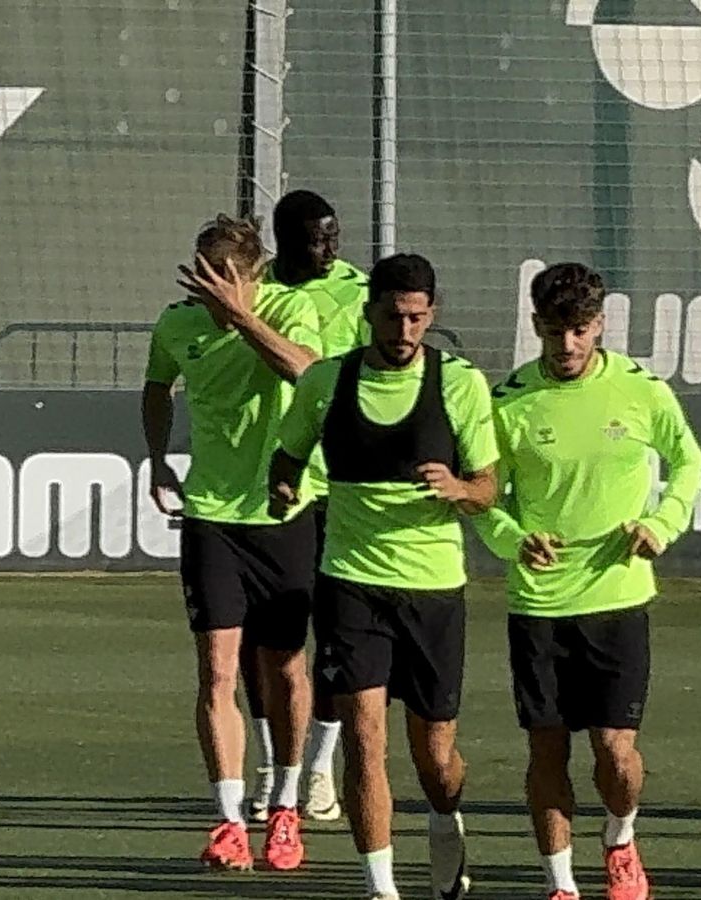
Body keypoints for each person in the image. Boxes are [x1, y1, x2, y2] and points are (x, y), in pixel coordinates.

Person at [268, 252, 498, 900]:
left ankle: (446, 816)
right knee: (365, 737)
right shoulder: (326, 383)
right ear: (370, 312)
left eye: (417, 317)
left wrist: (457, 487)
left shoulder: (459, 385)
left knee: (436, 761)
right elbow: (285, 459)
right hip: (350, 583)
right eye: (394, 316)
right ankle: (381, 889)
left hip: (434, 590)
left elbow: (488, 488)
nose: (405, 330)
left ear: (432, 315)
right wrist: (283, 488)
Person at [475, 263, 701, 900]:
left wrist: (663, 521)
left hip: (618, 600)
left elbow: (688, 460)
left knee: (616, 757)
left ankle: (620, 835)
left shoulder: (641, 390)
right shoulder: (509, 402)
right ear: (534, 326)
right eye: (554, 331)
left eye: (579, 330)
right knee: (546, 751)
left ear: (600, 324)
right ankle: (561, 884)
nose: (567, 345)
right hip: (539, 604)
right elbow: (482, 495)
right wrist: (512, 539)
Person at [143, 214, 321, 872]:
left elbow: (308, 372)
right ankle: (227, 820)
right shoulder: (176, 323)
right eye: (203, 278)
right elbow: (157, 386)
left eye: (226, 281)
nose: (211, 292)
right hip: (212, 516)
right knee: (217, 674)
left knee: (284, 670)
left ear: (255, 277)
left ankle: (285, 804)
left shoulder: (291, 309)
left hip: (284, 513)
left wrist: (243, 319)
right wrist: (158, 458)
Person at [241, 189, 369, 824]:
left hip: (338, 485)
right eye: (317, 239)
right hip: (270, 484)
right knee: (264, 641)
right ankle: (271, 767)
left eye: (335, 236)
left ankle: (319, 769)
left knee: (337, 636)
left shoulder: (358, 291)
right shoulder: (256, 289)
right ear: (283, 241)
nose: (330, 249)